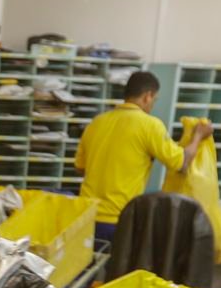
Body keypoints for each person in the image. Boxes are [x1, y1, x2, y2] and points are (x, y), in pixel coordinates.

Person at [75, 70, 211, 243]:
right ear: (148, 96)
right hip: (118, 219)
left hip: (86, 217)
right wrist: (198, 136)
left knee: (90, 260)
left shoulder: (97, 122)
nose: (152, 104)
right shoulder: (150, 125)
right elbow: (182, 163)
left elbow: (80, 168)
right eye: (154, 99)